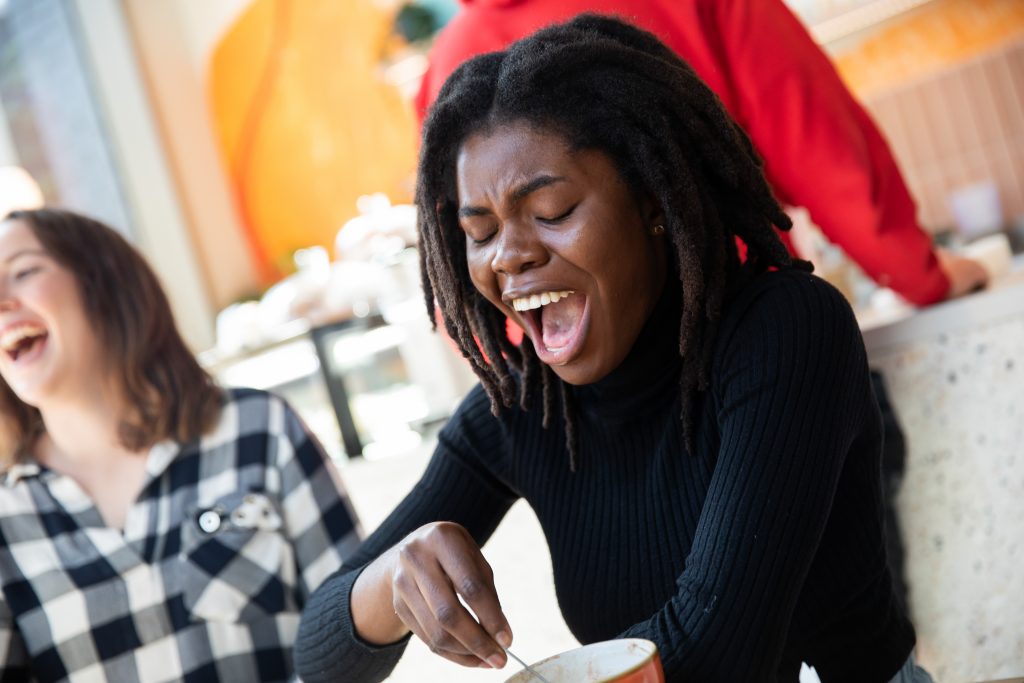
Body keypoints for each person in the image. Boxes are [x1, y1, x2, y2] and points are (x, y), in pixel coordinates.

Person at [295, 16, 932, 683]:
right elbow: (320, 653)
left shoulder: (786, 334)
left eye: (552, 211)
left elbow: (715, 654)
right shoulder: (523, 410)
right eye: (479, 231)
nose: (510, 255)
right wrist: (396, 577)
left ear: (653, 198)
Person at [415, 0, 989, 306]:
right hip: (744, 339)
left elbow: (459, 264)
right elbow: (815, 139)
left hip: (582, 420)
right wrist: (921, 275)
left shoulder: (449, 63)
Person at [0, 208, 361, 682]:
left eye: (23, 272)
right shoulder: (6, 516)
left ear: (103, 283)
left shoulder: (256, 429)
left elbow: (358, 619)